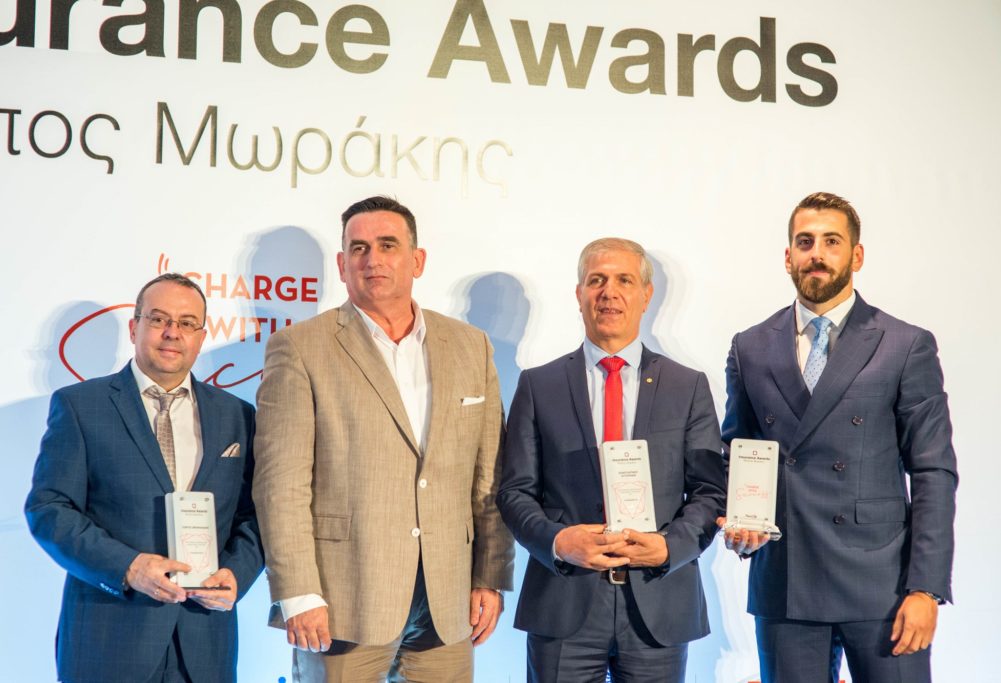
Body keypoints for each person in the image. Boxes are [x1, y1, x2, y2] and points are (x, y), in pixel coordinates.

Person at [253, 196, 514, 682]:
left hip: (447, 602)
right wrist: (299, 592)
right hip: (342, 601)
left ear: (417, 260)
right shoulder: (300, 347)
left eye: (388, 245)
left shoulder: (470, 345)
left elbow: (490, 478)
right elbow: (280, 485)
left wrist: (490, 574)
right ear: (342, 265)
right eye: (359, 248)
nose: (372, 259)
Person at [719, 192, 958, 683]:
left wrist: (926, 588)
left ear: (857, 255)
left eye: (832, 241)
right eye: (805, 242)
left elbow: (933, 471)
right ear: (788, 256)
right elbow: (736, 454)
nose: (817, 254)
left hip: (883, 585)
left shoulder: (904, 344)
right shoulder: (750, 346)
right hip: (786, 581)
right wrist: (739, 522)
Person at [497, 237, 727, 682]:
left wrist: (670, 547)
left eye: (624, 280)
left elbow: (709, 491)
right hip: (564, 601)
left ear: (646, 295)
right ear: (579, 294)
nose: (609, 292)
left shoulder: (688, 386)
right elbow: (515, 492)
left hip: (658, 604)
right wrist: (558, 542)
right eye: (596, 280)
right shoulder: (539, 385)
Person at [25, 273, 263, 683]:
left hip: (204, 644)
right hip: (109, 640)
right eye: (158, 319)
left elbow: (255, 515)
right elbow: (49, 510)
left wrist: (237, 573)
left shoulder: (237, 416)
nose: (173, 332)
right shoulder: (81, 406)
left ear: (201, 337)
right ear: (135, 327)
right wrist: (129, 567)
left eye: (187, 323)